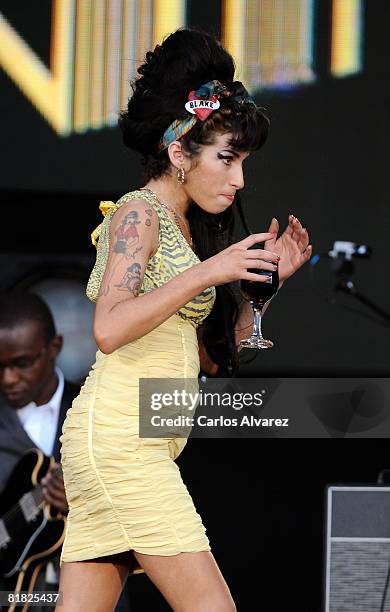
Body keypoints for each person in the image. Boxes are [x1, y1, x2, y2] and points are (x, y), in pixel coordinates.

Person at [58, 28, 312, 611]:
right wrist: (210, 272)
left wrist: (264, 293)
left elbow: (207, 361)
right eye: (227, 158)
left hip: (132, 438)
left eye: (243, 161)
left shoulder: (185, 232)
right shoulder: (136, 215)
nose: (239, 179)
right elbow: (109, 329)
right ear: (179, 153)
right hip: (122, 442)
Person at [0, 290, 76, 609]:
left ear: (54, 348)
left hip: (89, 594)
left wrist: (88, 499)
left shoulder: (99, 409)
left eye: (22, 363)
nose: (7, 379)